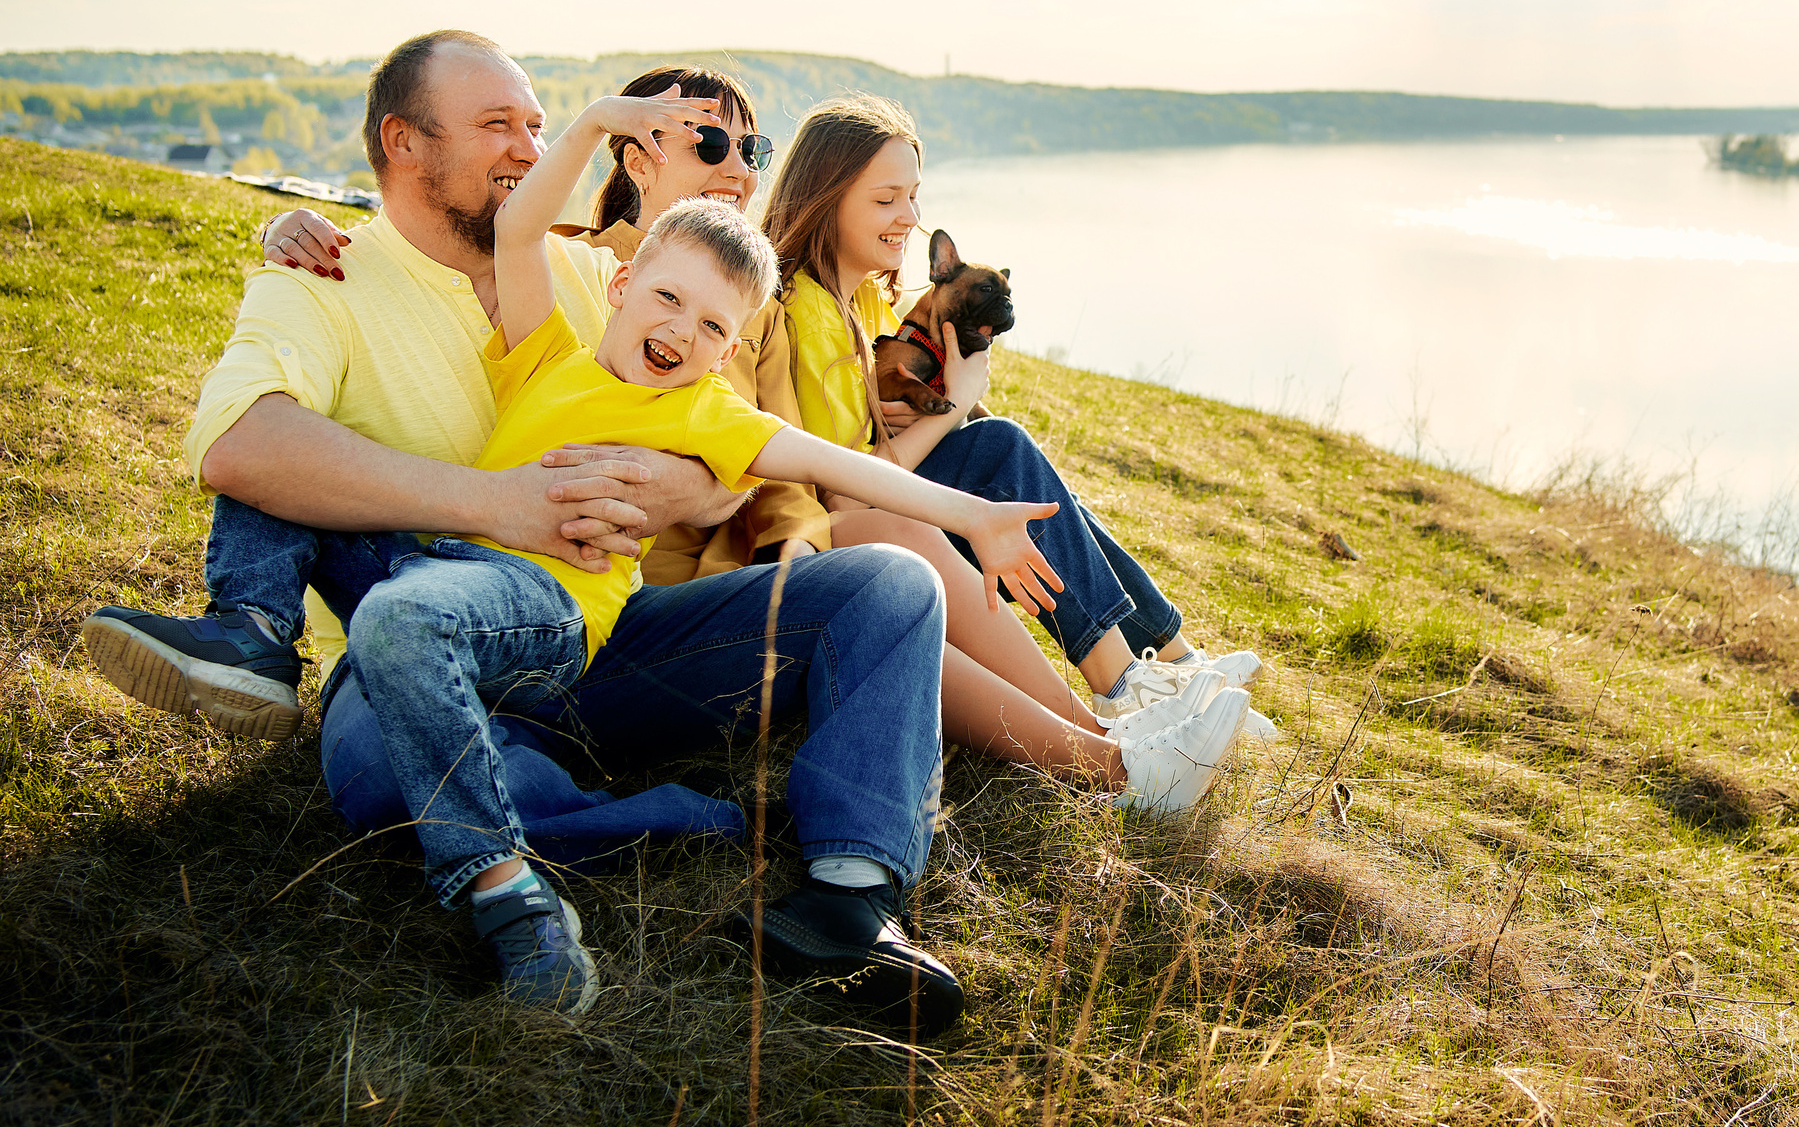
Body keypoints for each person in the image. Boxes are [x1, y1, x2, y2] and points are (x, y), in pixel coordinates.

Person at [108, 30, 967, 1037]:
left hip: (601, 632)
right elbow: (244, 449)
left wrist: (677, 491)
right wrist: (498, 506)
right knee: (379, 763)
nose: (527, 148)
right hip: (422, 649)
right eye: (494, 126)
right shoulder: (317, 276)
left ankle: (850, 899)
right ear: (403, 143)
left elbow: (722, 415)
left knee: (889, 587)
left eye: (536, 125)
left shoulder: (584, 272)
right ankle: (635, 822)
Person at [259, 69, 1268, 798]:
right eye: (711, 143)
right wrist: (596, 114)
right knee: (888, 546)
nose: (738, 165)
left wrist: (963, 509)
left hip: (623, 606)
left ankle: (1119, 724)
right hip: (565, 597)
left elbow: (801, 455)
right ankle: (1115, 724)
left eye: (750, 148)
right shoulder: (578, 306)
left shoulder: (727, 343)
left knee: (911, 537)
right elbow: (513, 230)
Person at [759, 95, 1266, 723]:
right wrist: (954, 408)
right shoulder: (809, 310)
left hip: (888, 497)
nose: (909, 216)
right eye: (885, 199)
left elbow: (882, 439)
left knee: (1031, 478)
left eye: (913, 196)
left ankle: (1176, 660)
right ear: (826, 199)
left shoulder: (861, 304)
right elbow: (846, 493)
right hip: (843, 538)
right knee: (996, 447)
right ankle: (1124, 683)